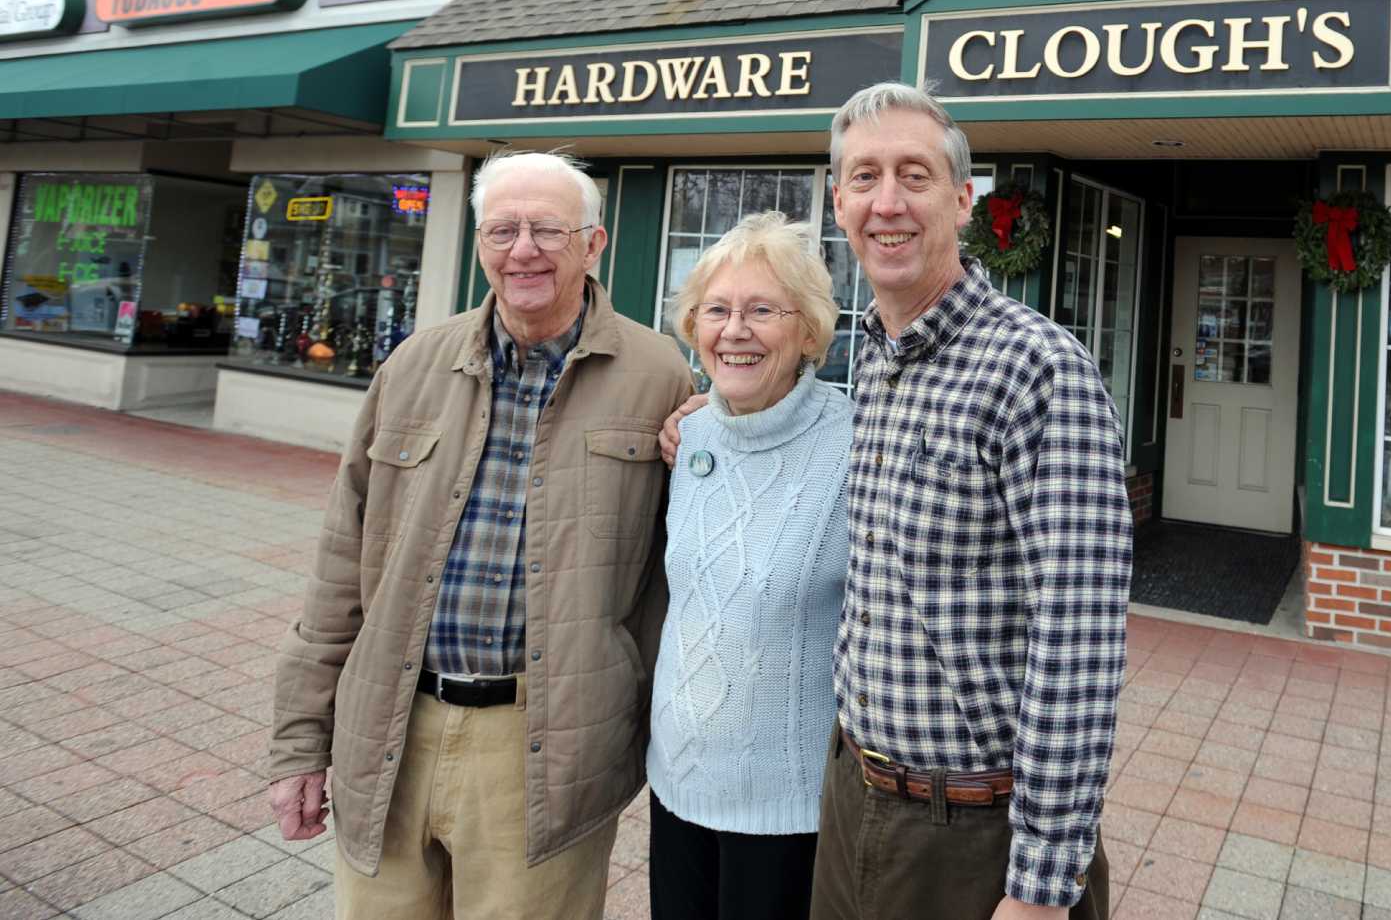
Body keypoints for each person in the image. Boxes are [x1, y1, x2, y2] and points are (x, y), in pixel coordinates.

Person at [662, 82, 1132, 920]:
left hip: (972, 829)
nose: (888, 202)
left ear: (962, 199)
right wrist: (713, 416)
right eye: (864, 177)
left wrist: (1041, 889)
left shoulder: (1037, 368)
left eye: (913, 175)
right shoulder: (875, 363)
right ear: (836, 201)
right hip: (854, 801)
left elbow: (1080, 645)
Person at [268, 149, 691, 920]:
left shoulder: (661, 376)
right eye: (502, 230)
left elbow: (676, 580)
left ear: (594, 245)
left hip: (547, 746)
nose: (522, 249)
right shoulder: (411, 366)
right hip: (389, 730)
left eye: (547, 231)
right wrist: (300, 741)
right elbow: (340, 563)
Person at [647, 211, 852, 920]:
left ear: (808, 331)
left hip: (789, 809)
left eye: (763, 310)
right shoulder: (689, 432)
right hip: (675, 782)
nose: (735, 330)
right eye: (717, 311)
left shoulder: (856, 442)